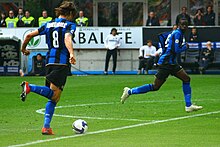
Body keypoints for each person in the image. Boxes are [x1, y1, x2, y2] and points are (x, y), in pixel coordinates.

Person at [121, 19, 203, 113]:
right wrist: (185, 47)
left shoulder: (175, 33)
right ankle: (130, 91)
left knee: (186, 79)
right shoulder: (177, 34)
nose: (184, 26)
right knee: (155, 86)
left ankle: (188, 105)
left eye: (186, 25)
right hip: (166, 62)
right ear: (178, 25)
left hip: (171, 63)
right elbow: (175, 49)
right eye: (182, 25)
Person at [20, 1, 76, 135]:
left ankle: (46, 127)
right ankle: (30, 87)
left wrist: (23, 48)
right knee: (54, 95)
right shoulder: (69, 25)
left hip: (49, 62)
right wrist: (72, 53)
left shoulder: (48, 24)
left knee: (54, 97)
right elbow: (67, 38)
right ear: (69, 14)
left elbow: (28, 35)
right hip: (61, 63)